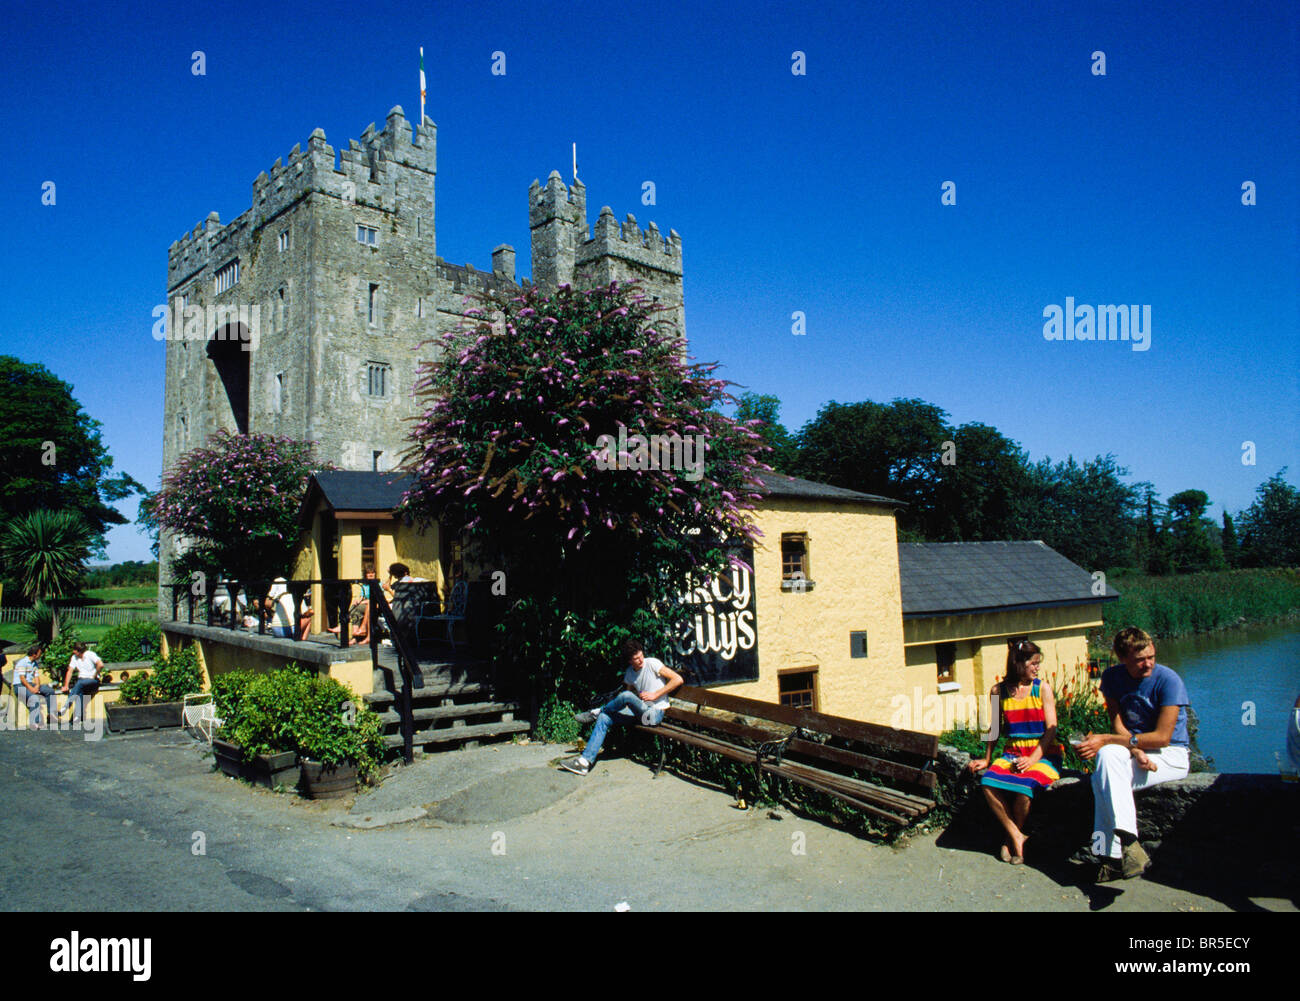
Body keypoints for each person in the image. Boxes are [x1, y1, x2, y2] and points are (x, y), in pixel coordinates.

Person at [1076, 626, 1191, 882]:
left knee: (1100, 779)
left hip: (1170, 754)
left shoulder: (1168, 680)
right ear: (1122, 658)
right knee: (1106, 758)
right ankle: (1129, 842)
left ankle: (1110, 858)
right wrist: (1136, 749)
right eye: (1140, 660)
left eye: (1151, 656)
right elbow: (1118, 725)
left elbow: (1162, 736)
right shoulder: (1112, 678)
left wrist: (1108, 740)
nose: (1147, 664)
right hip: (1135, 751)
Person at [967, 639, 1060, 864]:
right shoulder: (998, 691)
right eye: (1033, 663)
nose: (1037, 668)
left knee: (1023, 788)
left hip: (1044, 754)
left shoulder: (1042, 688)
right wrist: (987, 758)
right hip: (1013, 753)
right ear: (1018, 663)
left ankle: (1010, 840)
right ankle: (1017, 836)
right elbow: (995, 728)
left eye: (1038, 663)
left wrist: (1033, 758)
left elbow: (1051, 729)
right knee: (988, 783)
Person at [560, 639, 683, 776]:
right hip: (639, 714)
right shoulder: (630, 673)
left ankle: (596, 711)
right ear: (630, 661)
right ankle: (584, 762)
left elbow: (678, 679)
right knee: (604, 717)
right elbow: (628, 699)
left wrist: (655, 694)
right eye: (636, 659)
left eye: (641, 656)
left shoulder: (652, 663)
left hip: (654, 715)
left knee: (626, 696)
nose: (641, 660)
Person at [328, 565, 377, 644]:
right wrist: (358, 600)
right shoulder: (364, 585)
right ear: (366, 575)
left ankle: (343, 627)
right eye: (368, 573)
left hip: (374, 606)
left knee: (357, 609)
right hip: (365, 605)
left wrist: (363, 602)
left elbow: (377, 599)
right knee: (355, 608)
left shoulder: (378, 584)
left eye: (372, 573)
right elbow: (362, 596)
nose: (371, 575)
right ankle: (355, 634)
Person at [59, 642, 104, 725]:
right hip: (82, 681)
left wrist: (95, 674)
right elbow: (70, 671)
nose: (73, 652)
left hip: (93, 681)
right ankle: (77, 718)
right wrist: (66, 685)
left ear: (79, 651)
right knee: (80, 693)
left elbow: (100, 664)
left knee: (79, 684)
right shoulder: (74, 658)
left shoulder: (89, 654)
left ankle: (66, 707)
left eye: (75, 650)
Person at [14, 645, 54, 730]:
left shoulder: (34, 663)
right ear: (34, 654)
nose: (41, 655)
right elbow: (22, 679)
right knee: (34, 698)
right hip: (19, 685)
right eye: (39, 653)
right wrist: (31, 689)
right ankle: (34, 722)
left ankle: (51, 715)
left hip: (29, 684)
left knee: (50, 691)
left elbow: (36, 677)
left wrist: (37, 686)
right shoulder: (22, 662)